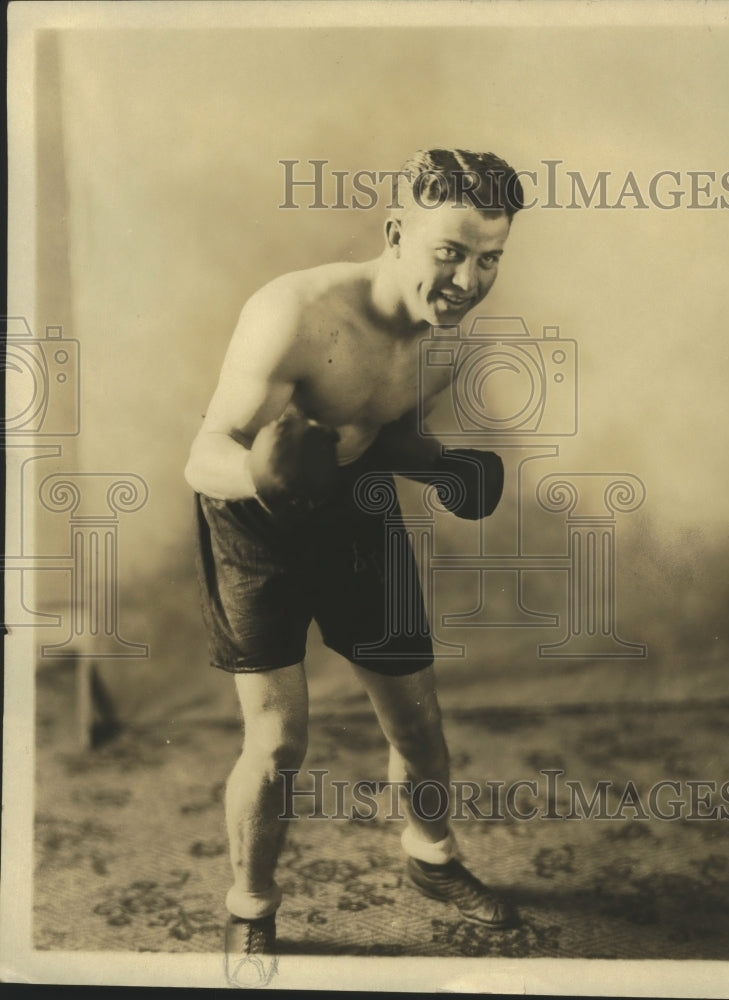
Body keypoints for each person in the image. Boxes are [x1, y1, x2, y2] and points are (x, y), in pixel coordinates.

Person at [184, 148, 524, 955]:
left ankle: (430, 857)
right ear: (398, 230)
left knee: (419, 725)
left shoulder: (450, 339)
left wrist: (440, 467)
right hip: (252, 522)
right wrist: (267, 479)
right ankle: (250, 910)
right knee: (277, 743)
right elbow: (202, 455)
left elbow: (389, 430)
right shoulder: (292, 313)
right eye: (450, 253)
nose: (468, 282)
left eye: (489, 259)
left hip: (355, 508)